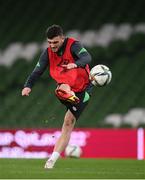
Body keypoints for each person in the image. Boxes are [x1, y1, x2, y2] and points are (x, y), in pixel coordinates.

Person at [21, 24, 92, 169]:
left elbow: (87, 57)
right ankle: (70, 96)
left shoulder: (73, 45)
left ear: (62, 38)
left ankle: (51, 160)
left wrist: (75, 64)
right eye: (49, 42)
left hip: (84, 88)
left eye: (55, 42)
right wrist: (28, 86)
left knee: (68, 123)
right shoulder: (47, 53)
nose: (52, 45)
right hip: (66, 87)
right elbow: (37, 71)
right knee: (62, 89)